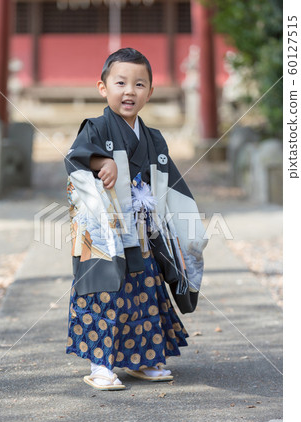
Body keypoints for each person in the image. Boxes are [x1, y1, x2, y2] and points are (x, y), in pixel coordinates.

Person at [64, 48, 208, 390]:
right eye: (121, 82)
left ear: (150, 92)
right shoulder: (96, 129)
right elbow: (75, 159)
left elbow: (171, 183)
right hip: (106, 234)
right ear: (103, 87)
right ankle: (101, 364)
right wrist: (103, 163)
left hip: (144, 234)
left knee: (143, 294)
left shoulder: (154, 137)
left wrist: (188, 226)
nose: (130, 91)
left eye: (139, 84)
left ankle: (143, 361)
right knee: (105, 294)